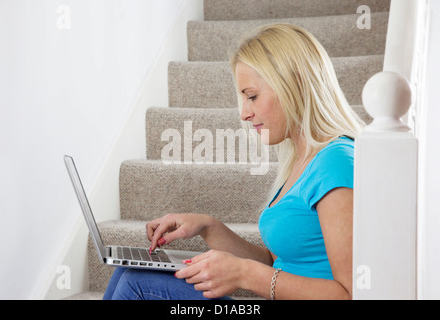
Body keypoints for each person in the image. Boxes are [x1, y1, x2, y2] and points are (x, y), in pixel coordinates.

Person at [103, 23, 365, 300]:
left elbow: (352, 294)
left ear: (295, 84)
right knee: (128, 270)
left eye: (252, 97)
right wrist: (208, 226)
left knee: (138, 281)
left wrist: (244, 274)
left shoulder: (335, 162)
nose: (244, 114)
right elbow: (278, 264)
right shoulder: (303, 161)